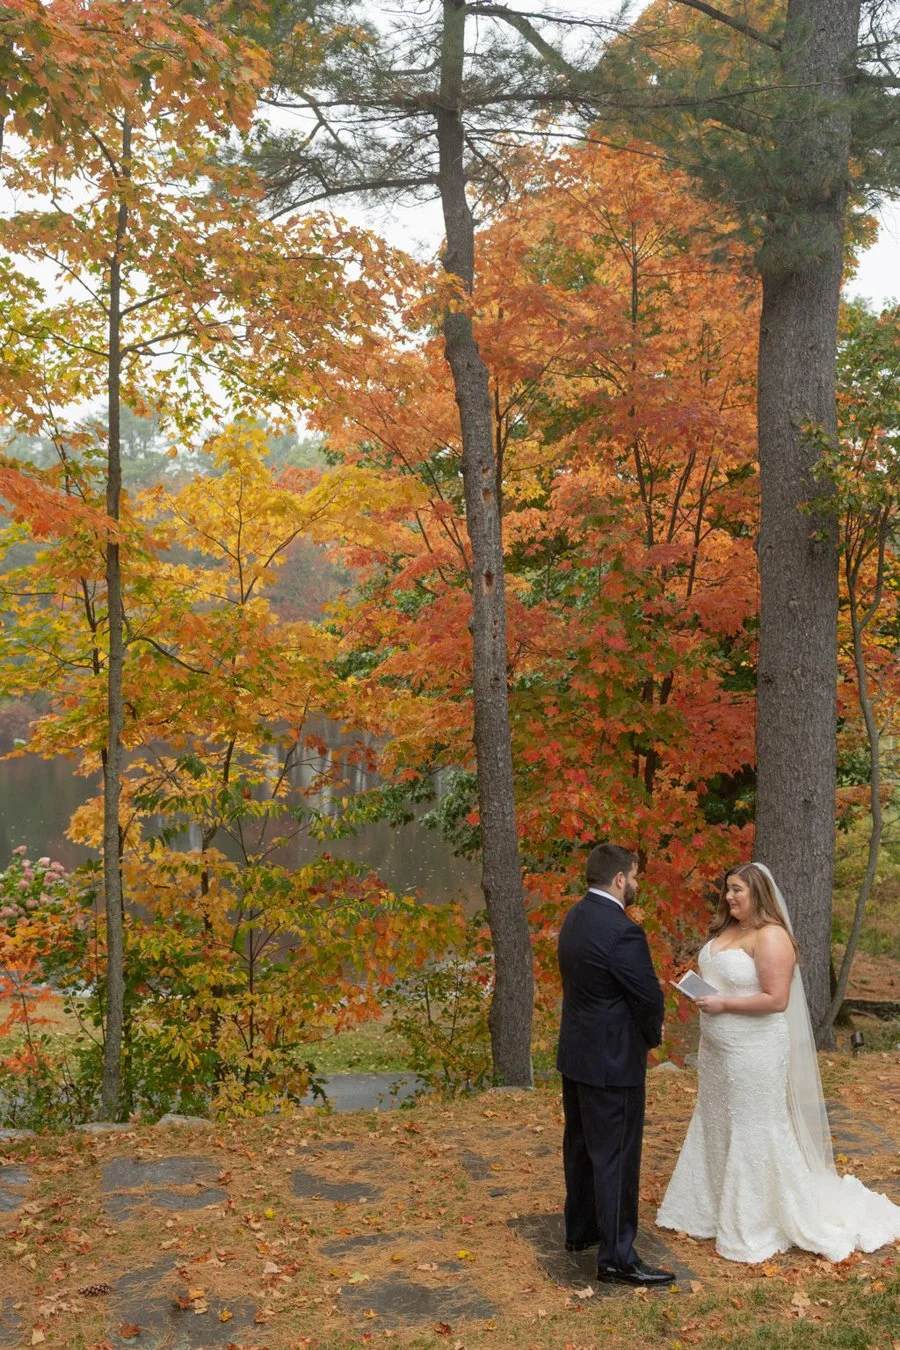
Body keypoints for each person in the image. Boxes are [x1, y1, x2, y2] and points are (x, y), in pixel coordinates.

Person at [657, 862, 900, 1263]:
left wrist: (723, 1003)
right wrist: (701, 992)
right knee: (717, 1120)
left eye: (738, 890)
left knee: (753, 1125)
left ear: (758, 893)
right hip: (718, 1048)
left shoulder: (772, 937)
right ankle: (710, 1208)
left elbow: (776, 1000)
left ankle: (755, 1219)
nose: (730, 896)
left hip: (754, 1048)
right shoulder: (728, 931)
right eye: (728, 889)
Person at [557, 842, 675, 1287]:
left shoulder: (575, 917)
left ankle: (581, 1231)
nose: (638, 883)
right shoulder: (622, 930)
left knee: (583, 1147)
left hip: (578, 1054)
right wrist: (650, 1033)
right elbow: (648, 995)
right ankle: (618, 1259)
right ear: (620, 879)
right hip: (612, 1061)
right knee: (617, 1158)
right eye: (636, 875)